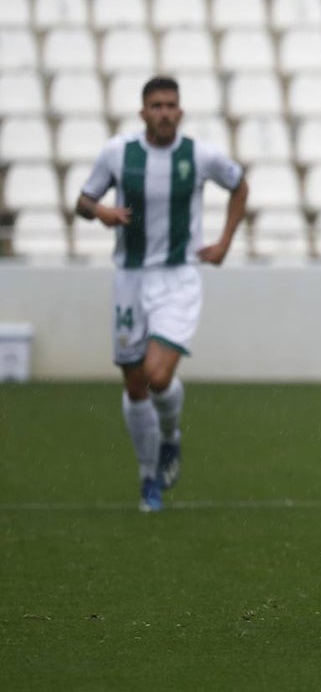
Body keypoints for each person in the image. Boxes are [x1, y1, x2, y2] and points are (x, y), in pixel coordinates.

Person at [75, 76, 249, 512]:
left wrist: (225, 241)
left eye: (171, 105)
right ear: (143, 113)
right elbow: (82, 200)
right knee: (135, 386)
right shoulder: (118, 152)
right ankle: (148, 477)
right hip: (129, 278)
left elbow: (239, 185)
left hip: (178, 278)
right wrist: (101, 211)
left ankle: (170, 437)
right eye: (156, 105)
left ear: (181, 111)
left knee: (156, 376)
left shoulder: (198, 154)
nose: (165, 112)